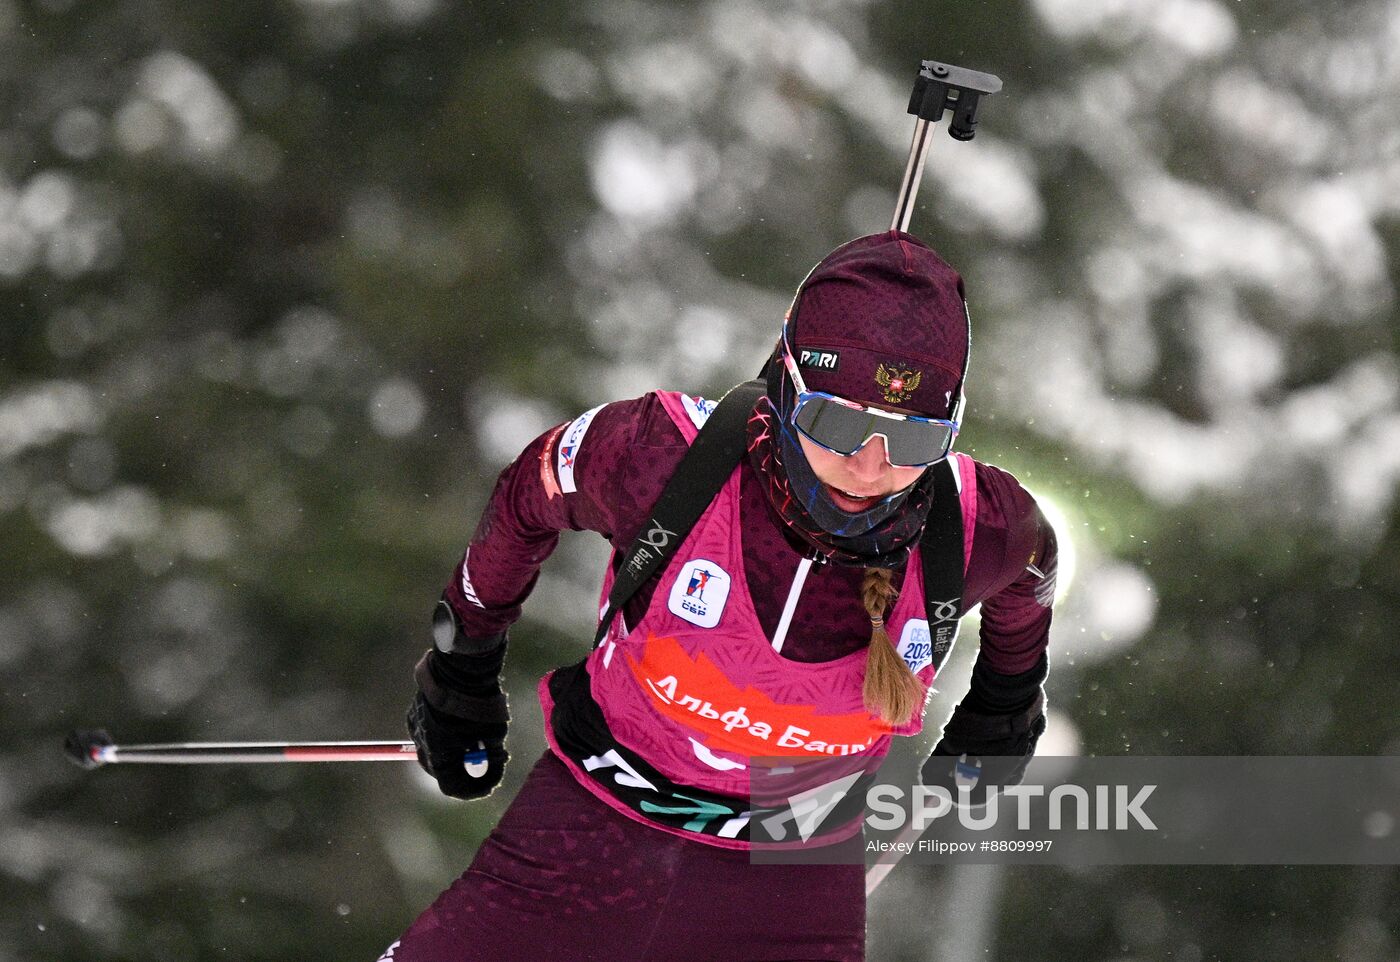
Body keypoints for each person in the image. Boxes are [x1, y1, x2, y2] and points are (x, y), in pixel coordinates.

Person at [382, 230, 1056, 962]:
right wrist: (464, 665)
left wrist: (1005, 701)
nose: (871, 465)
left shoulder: (972, 524)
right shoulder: (660, 456)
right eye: (838, 422)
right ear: (788, 380)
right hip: (585, 839)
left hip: (791, 881)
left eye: (915, 438)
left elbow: (1037, 567)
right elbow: (530, 491)